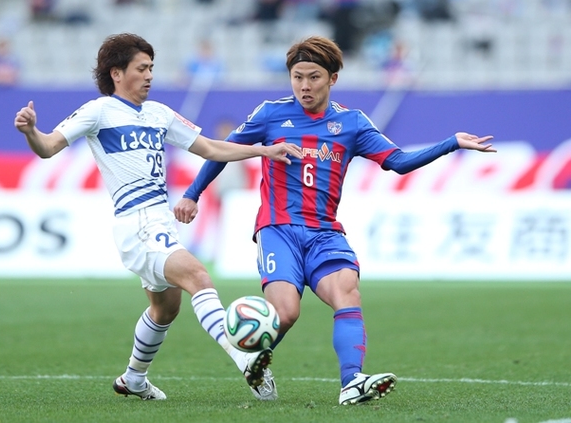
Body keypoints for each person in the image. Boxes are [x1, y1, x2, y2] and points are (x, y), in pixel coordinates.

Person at [174, 36, 497, 405]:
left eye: (313, 77)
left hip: (325, 232)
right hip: (278, 230)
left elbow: (397, 162)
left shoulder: (351, 123)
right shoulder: (269, 115)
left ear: (333, 79)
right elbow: (221, 151)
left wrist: (451, 142)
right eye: (297, 77)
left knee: (347, 293)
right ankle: (252, 358)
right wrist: (192, 194)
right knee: (285, 312)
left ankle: (351, 381)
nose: (304, 86)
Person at [13, 33, 302, 401]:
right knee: (198, 276)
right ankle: (246, 359)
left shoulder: (159, 114)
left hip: (161, 222)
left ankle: (133, 378)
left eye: (151, 67)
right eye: (142, 68)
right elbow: (48, 147)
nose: (150, 75)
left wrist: (263, 150)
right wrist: (31, 131)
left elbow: (210, 148)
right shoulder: (99, 111)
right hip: (136, 223)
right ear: (117, 73)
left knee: (165, 309)